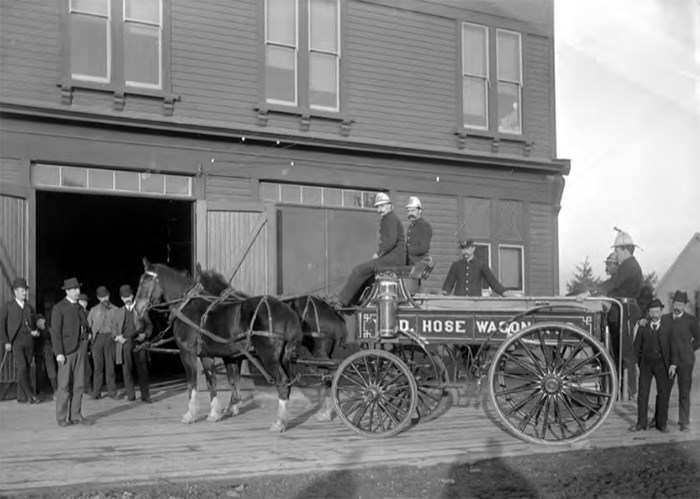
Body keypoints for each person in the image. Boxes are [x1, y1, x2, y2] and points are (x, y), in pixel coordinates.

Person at [333, 193, 406, 307]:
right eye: (377, 207)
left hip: (394, 258)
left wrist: (378, 253)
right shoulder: (388, 218)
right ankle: (352, 300)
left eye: (382, 206)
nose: (379, 209)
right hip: (392, 257)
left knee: (359, 270)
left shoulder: (390, 218)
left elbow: (391, 241)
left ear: (389, 205)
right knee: (365, 274)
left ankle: (343, 301)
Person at [630, 298, 676, 432]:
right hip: (646, 364)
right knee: (643, 394)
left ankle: (661, 424)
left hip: (662, 364)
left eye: (657, 312)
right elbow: (635, 348)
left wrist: (673, 365)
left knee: (663, 393)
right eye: (652, 312)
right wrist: (636, 365)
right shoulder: (643, 328)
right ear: (649, 313)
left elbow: (674, 348)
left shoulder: (668, 328)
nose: (654, 315)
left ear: (661, 312)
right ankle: (641, 423)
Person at [51, 277, 91, 426]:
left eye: (78, 289)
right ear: (67, 291)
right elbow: (55, 332)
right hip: (66, 352)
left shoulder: (80, 307)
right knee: (64, 385)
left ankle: (75, 414)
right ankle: (61, 418)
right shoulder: (59, 308)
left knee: (79, 384)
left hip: (81, 348)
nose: (77, 291)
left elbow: (85, 325)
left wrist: (88, 335)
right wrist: (59, 353)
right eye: (74, 289)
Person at [0, 277, 40, 404]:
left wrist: (35, 331)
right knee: (22, 367)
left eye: (25, 290)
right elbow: (1, 326)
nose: (25, 293)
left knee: (26, 368)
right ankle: (30, 395)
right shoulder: (8, 307)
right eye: (22, 290)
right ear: (15, 292)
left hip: (29, 341)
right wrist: (6, 341)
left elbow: (32, 325)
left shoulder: (29, 308)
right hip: (15, 341)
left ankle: (21, 397)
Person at [665, 290, 699, 432]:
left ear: (684, 306)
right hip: (668, 362)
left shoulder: (691, 320)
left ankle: (683, 422)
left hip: (686, 362)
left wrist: (689, 349)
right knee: (664, 391)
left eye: (681, 304)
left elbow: (699, 339)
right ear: (673, 304)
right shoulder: (665, 319)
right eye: (676, 303)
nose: (678, 306)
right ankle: (661, 420)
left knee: (684, 392)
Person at [115, 284, 152, 403]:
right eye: (124, 297)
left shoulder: (141, 310)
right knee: (127, 370)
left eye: (129, 296)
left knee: (142, 370)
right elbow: (113, 328)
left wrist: (145, 335)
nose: (127, 299)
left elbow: (149, 326)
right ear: (121, 298)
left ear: (132, 296)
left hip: (138, 342)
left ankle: (145, 396)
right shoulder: (118, 312)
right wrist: (117, 337)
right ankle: (130, 395)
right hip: (125, 343)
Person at [87, 286, 119, 400]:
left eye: (105, 296)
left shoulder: (116, 310)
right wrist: (89, 336)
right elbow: (88, 326)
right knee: (97, 367)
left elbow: (119, 326)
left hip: (110, 338)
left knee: (110, 366)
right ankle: (96, 392)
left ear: (109, 295)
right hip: (97, 339)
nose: (104, 298)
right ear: (98, 298)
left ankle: (112, 392)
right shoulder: (93, 310)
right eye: (101, 297)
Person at [442, 240, 506, 297]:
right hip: (460, 303)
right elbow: (448, 285)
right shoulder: (456, 265)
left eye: (467, 248)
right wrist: (443, 294)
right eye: (463, 249)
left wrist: (504, 292)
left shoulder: (481, 264)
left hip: (475, 303)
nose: (464, 251)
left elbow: (492, 282)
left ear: (473, 248)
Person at [33, 313, 57, 399]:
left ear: (44, 320)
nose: (39, 323)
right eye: (37, 322)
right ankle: (41, 391)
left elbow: (48, 336)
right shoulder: (34, 331)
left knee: (52, 371)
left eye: (41, 320)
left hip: (48, 353)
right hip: (38, 353)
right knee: (39, 372)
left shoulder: (49, 329)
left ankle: (56, 391)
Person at [405, 196, 432, 266]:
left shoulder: (425, 226)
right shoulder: (411, 226)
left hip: (418, 264)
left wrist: (406, 250)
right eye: (408, 211)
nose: (410, 213)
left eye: (413, 210)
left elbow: (423, 249)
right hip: (408, 263)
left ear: (420, 211)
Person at [78, 292, 93, 396]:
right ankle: (82, 387)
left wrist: (90, 334)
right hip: (78, 341)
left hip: (87, 341)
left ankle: (87, 386)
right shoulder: (75, 313)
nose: (84, 303)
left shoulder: (89, 313)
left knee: (87, 366)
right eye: (82, 301)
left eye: (85, 302)